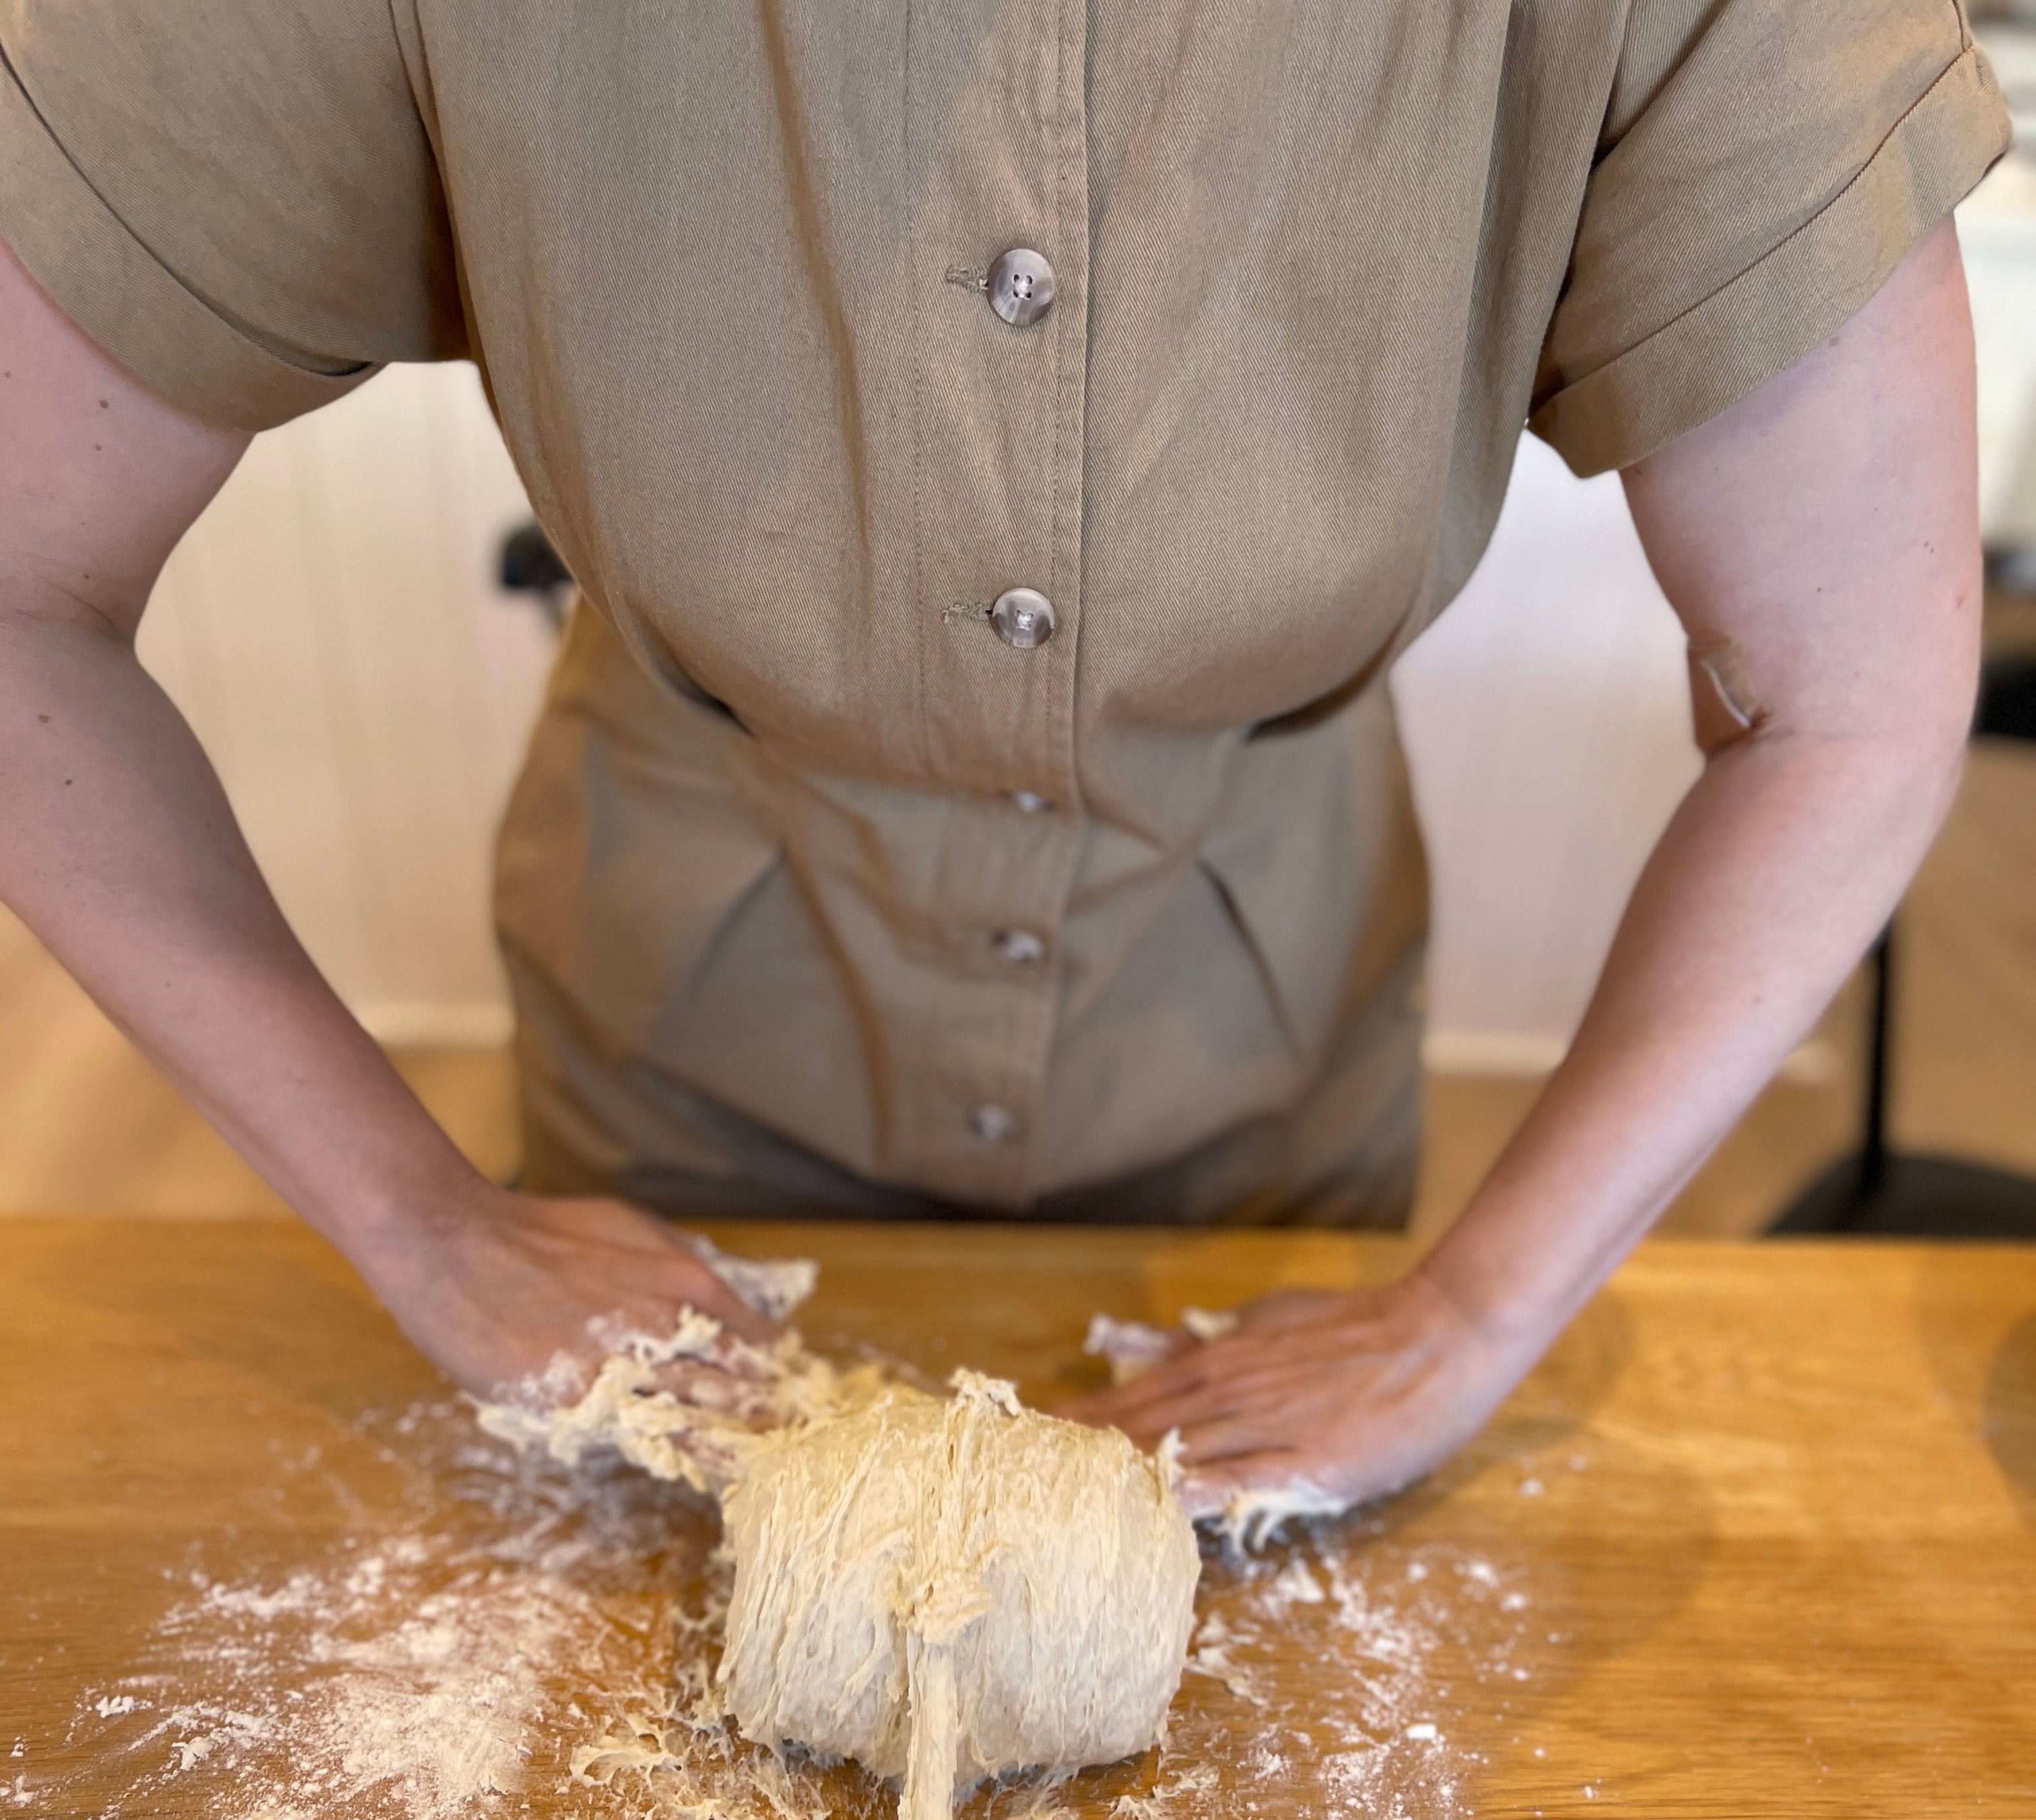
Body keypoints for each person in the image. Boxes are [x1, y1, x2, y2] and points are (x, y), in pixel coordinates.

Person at [0, 5, 2008, 1516]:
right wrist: (426, 1222)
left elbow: (1850, 692)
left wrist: (1474, 1311)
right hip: (684, 1041)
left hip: (1267, 1058)